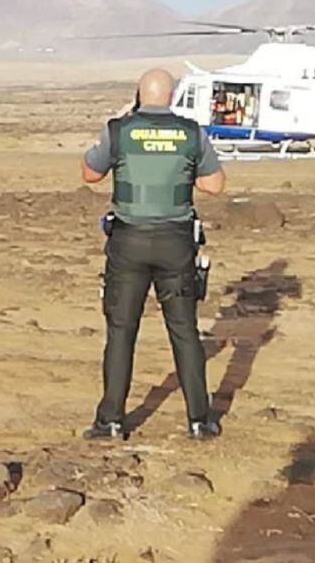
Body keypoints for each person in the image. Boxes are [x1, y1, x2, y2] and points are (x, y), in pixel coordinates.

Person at [81, 68, 227, 441]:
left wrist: (118, 123)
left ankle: (111, 420)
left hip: (128, 243)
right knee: (184, 331)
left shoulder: (120, 130)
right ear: (172, 96)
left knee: (121, 331)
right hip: (175, 244)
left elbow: (90, 174)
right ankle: (199, 421)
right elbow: (214, 185)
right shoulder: (191, 133)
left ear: (139, 95)